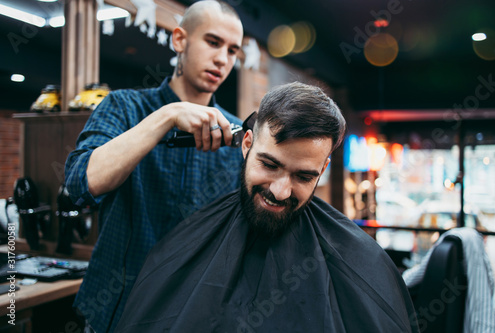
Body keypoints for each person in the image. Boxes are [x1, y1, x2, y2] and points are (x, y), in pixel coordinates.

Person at [115, 82, 419, 332]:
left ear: (323, 169)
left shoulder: (359, 258)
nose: (280, 190)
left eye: (303, 176)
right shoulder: (191, 237)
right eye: (269, 164)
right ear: (247, 144)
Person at [64, 1, 244, 331]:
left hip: (193, 316)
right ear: (179, 40)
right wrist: (167, 116)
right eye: (213, 42)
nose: (222, 59)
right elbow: (80, 185)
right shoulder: (123, 106)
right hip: (116, 311)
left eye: (233, 51)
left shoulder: (234, 135)